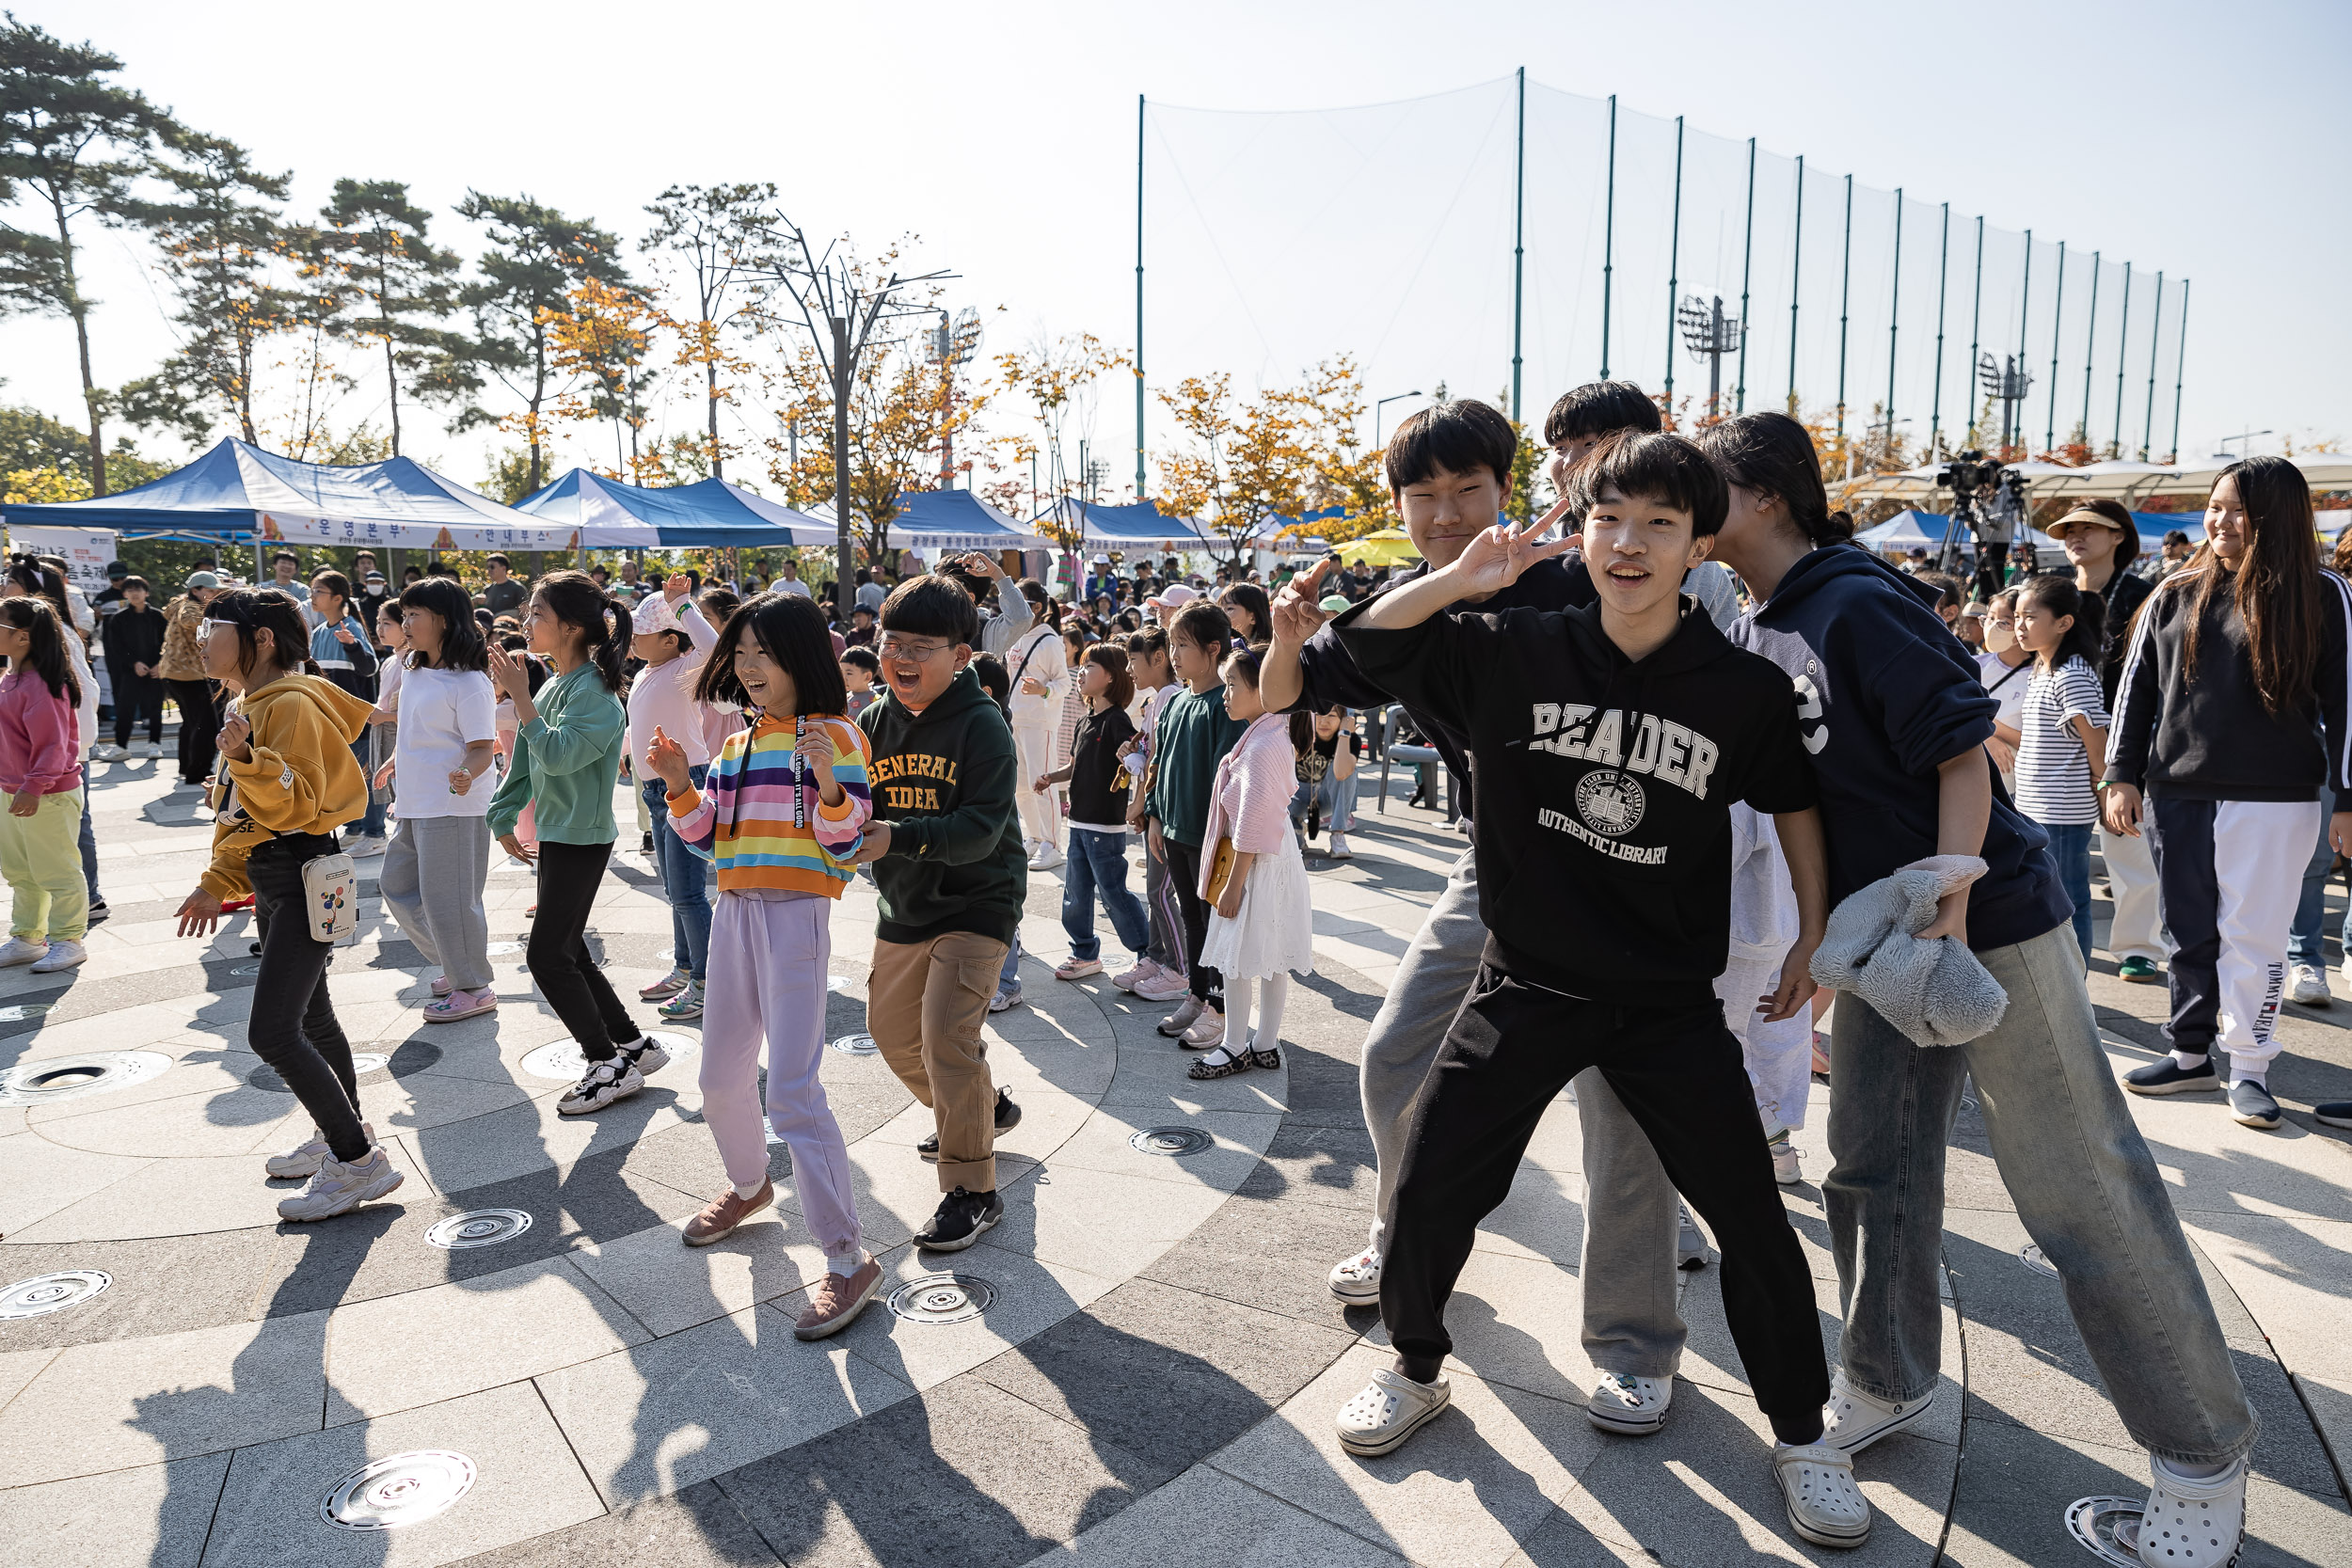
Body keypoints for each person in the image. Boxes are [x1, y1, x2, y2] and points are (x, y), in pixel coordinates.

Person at [1700, 409, 2261, 1566]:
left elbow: (1962, 746)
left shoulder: (1853, 597)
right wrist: (1824, 941)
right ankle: (1886, 1376)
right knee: (1870, 1162)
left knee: (2077, 1186)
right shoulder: (1767, 615)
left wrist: (1947, 904)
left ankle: (2202, 1458)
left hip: (1981, 924)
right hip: (1884, 938)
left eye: (1695, 484)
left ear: (1761, 496)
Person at [1328, 433, 1860, 1549]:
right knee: (1429, 1181)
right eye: (1609, 519)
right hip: (1526, 980)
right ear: (1579, 530)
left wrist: (1813, 933)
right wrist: (1464, 577)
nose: (1629, 543)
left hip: (1668, 1000)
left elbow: (1797, 804)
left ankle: (1804, 1435)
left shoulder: (1739, 687)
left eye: (1660, 525)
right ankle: (1416, 1365)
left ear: (1696, 544)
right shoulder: (1509, 646)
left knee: (1752, 1222)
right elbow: (1362, 643)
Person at [652, 591, 884, 1338]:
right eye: (741, 653)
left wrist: (827, 784)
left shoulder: (838, 734)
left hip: (796, 917)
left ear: (801, 655)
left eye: (764, 652)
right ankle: (749, 1186)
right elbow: (705, 838)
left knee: (791, 1088)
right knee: (719, 1076)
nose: (750, 667)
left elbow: (846, 841)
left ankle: (847, 1258)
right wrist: (678, 782)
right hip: (735, 913)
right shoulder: (736, 744)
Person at [2107, 455, 2352, 1135]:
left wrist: (2351, 797)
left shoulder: (2324, 594)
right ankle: (2189, 1053)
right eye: (2215, 506)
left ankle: (2248, 1065)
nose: (2222, 520)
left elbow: (2350, 702)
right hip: (2177, 789)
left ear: (2280, 517)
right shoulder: (2174, 591)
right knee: (2186, 928)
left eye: (2240, 509)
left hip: (2276, 797)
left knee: (2255, 936)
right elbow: (2136, 693)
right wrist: (2120, 774)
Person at [173, 588, 397, 1220]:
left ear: (261, 639)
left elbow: (293, 804)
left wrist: (246, 758)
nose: (202, 638)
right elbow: (242, 816)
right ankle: (342, 1136)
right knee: (315, 1018)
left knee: (272, 1029)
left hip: (300, 872)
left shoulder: (290, 704)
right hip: (277, 878)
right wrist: (217, 881)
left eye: (214, 627)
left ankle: (356, 1160)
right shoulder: (253, 702)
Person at [848, 573, 1026, 1253]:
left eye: (922, 645)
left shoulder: (983, 723)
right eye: (893, 641)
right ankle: (980, 1109)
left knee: (948, 1039)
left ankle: (972, 1189)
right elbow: (853, 806)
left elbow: (982, 828)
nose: (902, 657)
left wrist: (899, 835)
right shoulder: (870, 722)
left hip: (980, 899)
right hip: (905, 901)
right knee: (892, 1034)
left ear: (959, 654)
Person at [486, 571, 669, 1115]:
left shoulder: (597, 695)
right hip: (557, 834)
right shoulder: (551, 686)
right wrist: (501, 814)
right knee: (570, 950)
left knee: (547, 955)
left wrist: (521, 699)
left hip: (581, 838)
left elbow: (561, 754)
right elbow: (525, 758)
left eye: (537, 614)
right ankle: (633, 1045)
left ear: (569, 627)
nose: (527, 623)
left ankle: (605, 1062)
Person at [2045, 499, 2167, 985]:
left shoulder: (2144, 594)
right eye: (2068, 529)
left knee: (2127, 843)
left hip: (2122, 735)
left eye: (2089, 528)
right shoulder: (2054, 591)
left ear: (2119, 536)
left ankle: (2138, 947)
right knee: (2056, 847)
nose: (2075, 536)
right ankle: (2054, 941)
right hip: (2055, 738)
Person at [370, 578, 501, 1022]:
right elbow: (413, 732)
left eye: (414, 616)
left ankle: (473, 987)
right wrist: (392, 762)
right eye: (404, 615)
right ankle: (459, 964)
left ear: (444, 620)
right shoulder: (413, 669)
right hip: (414, 799)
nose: (405, 624)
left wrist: (466, 773)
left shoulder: (470, 682)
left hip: (453, 804)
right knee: (397, 886)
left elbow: (483, 746)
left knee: (451, 901)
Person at [1186, 646, 1314, 1079]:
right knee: (1272, 953)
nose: (1226, 694)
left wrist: (1232, 885)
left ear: (1264, 690)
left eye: (1233, 685)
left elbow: (1251, 824)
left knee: (1237, 955)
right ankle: (1265, 1043)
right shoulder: (1273, 732)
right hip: (1276, 857)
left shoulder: (1263, 744)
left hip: (1256, 862)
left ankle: (1234, 1045)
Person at [1140, 599, 1248, 1046]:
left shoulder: (1226, 705)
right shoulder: (1175, 702)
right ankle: (1197, 993)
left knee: (1213, 923)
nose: (1175, 653)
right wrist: (1154, 815)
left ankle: (1220, 1007)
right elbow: (1159, 763)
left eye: (1183, 645)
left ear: (1213, 648)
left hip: (1211, 840)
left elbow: (1231, 779)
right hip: (1175, 831)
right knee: (1191, 919)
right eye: (1172, 643)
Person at [626, 578, 723, 1022]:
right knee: (675, 890)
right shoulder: (648, 671)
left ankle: (705, 982)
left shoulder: (686, 667)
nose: (631, 638)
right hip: (656, 788)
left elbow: (716, 649)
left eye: (639, 631)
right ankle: (686, 969)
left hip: (686, 784)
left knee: (687, 892)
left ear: (669, 639)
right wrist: (630, 752)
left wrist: (683, 605)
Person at [2010, 576, 2111, 965]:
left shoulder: (2072, 675)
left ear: (2063, 623)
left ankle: (2075, 984)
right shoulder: (2043, 669)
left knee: (2068, 900)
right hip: (2036, 807)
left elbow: (2096, 746)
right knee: (2049, 900)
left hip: (2064, 812)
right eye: (2017, 616)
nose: (2019, 626)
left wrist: (2106, 797)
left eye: (2029, 617)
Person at [1033, 643, 1147, 982]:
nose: (1081, 672)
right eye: (1082, 665)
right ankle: (1084, 952)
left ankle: (1147, 953)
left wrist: (1131, 756)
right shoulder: (1085, 720)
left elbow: (1134, 757)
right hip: (1079, 821)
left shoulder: (1117, 720)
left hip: (1105, 826)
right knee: (1076, 891)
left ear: (1111, 677)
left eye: (1090, 666)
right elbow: (1075, 764)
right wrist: (1052, 777)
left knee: (1112, 892)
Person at [0, 597, 89, 973]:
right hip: (14, 788)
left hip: (47, 794)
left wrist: (34, 786)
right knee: (20, 870)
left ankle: (69, 939)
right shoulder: (10, 678)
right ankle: (28, 937)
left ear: (22, 637)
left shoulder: (42, 686)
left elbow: (53, 746)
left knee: (57, 868)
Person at [1114, 626, 1190, 1001]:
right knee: (1156, 892)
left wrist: (1142, 802)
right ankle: (1157, 958)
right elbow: (1149, 751)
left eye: (1132, 660)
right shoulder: (1160, 698)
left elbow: (1162, 760)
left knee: (1160, 892)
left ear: (1157, 658)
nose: (1129, 669)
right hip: (1157, 810)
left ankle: (1180, 969)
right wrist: (1133, 754)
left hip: (1165, 811)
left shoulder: (1170, 697)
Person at [308, 571, 385, 856]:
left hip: (356, 720)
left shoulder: (351, 627)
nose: (313, 596)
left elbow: (369, 668)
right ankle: (353, 829)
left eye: (319, 591)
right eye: (313, 590)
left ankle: (375, 833)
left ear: (337, 598)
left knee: (365, 775)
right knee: (344, 776)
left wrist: (351, 645)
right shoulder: (318, 633)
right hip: (331, 721)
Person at [1004, 580, 1067, 870]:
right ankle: (1035, 836)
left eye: (1020, 601)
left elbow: (1064, 683)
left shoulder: (1050, 641)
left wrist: (1043, 691)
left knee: (1042, 783)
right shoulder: (1015, 636)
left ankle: (1052, 844)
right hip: (1016, 717)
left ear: (1037, 607)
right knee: (1019, 786)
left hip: (1040, 721)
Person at [95, 576, 167, 759]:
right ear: (124, 594)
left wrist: (160, 663)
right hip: (130, 670)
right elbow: (116, 646)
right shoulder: (118, 618)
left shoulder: (158, 616)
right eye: (130, 590)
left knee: (155, 708)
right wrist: (133, 662)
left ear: (146, 592)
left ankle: (154, 744)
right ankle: (121, 746)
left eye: (138, 589)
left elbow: (169, 643)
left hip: (155, 670)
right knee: (124, 709)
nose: (134, 594)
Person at [161, 571, 221, 785]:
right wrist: (213, 618)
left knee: (191, 722)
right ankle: (198, 771)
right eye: (211, 590)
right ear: (195, 590)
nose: (215, 594)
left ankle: (188, 766)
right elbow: (190, 620)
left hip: (175, 672)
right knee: (206, 725)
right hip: (188, 674)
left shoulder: (182, 604)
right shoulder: (190, 608)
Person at [1975, 587, 2032, 793]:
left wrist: (1990, 726)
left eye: (2004, 622)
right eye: (1989, 619)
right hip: (1978, 780)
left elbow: (2036, 741)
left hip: (2020, 787)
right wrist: (1987, 737)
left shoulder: (2039, 674)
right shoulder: (1973, 665)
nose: (1992, 627)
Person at [1292, 705, 1361, 859]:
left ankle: (1338, 835)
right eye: (1318, 715)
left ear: (1342, 719)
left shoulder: (1351, 738)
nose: (1324, 721)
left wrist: (1344, 734)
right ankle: (1297, 827)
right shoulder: (1301, 733)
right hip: (1297, 797)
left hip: (1326, 799)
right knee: (1294, 848)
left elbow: (1343, 773)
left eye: (1331, 716)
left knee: (1348, 771)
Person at [1216, 582, 1271, 646]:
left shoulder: (1266, 653)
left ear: (1253, 618)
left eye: (1229, 608)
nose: (1221, 613)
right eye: (1220, 607)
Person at [481, 553, 528, 617]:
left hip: (509, 626)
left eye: (492, 567)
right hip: (489, 626)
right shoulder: (487, 589)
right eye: (488, 567)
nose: (489, 570)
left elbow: (525, 614)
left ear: (503, 568)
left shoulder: (517, 588)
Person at [839, 646, 881, 717]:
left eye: (849, 673)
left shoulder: (875, 701)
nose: (843, 678)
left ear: (867, 677)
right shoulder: (845, 697)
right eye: (841, 672)